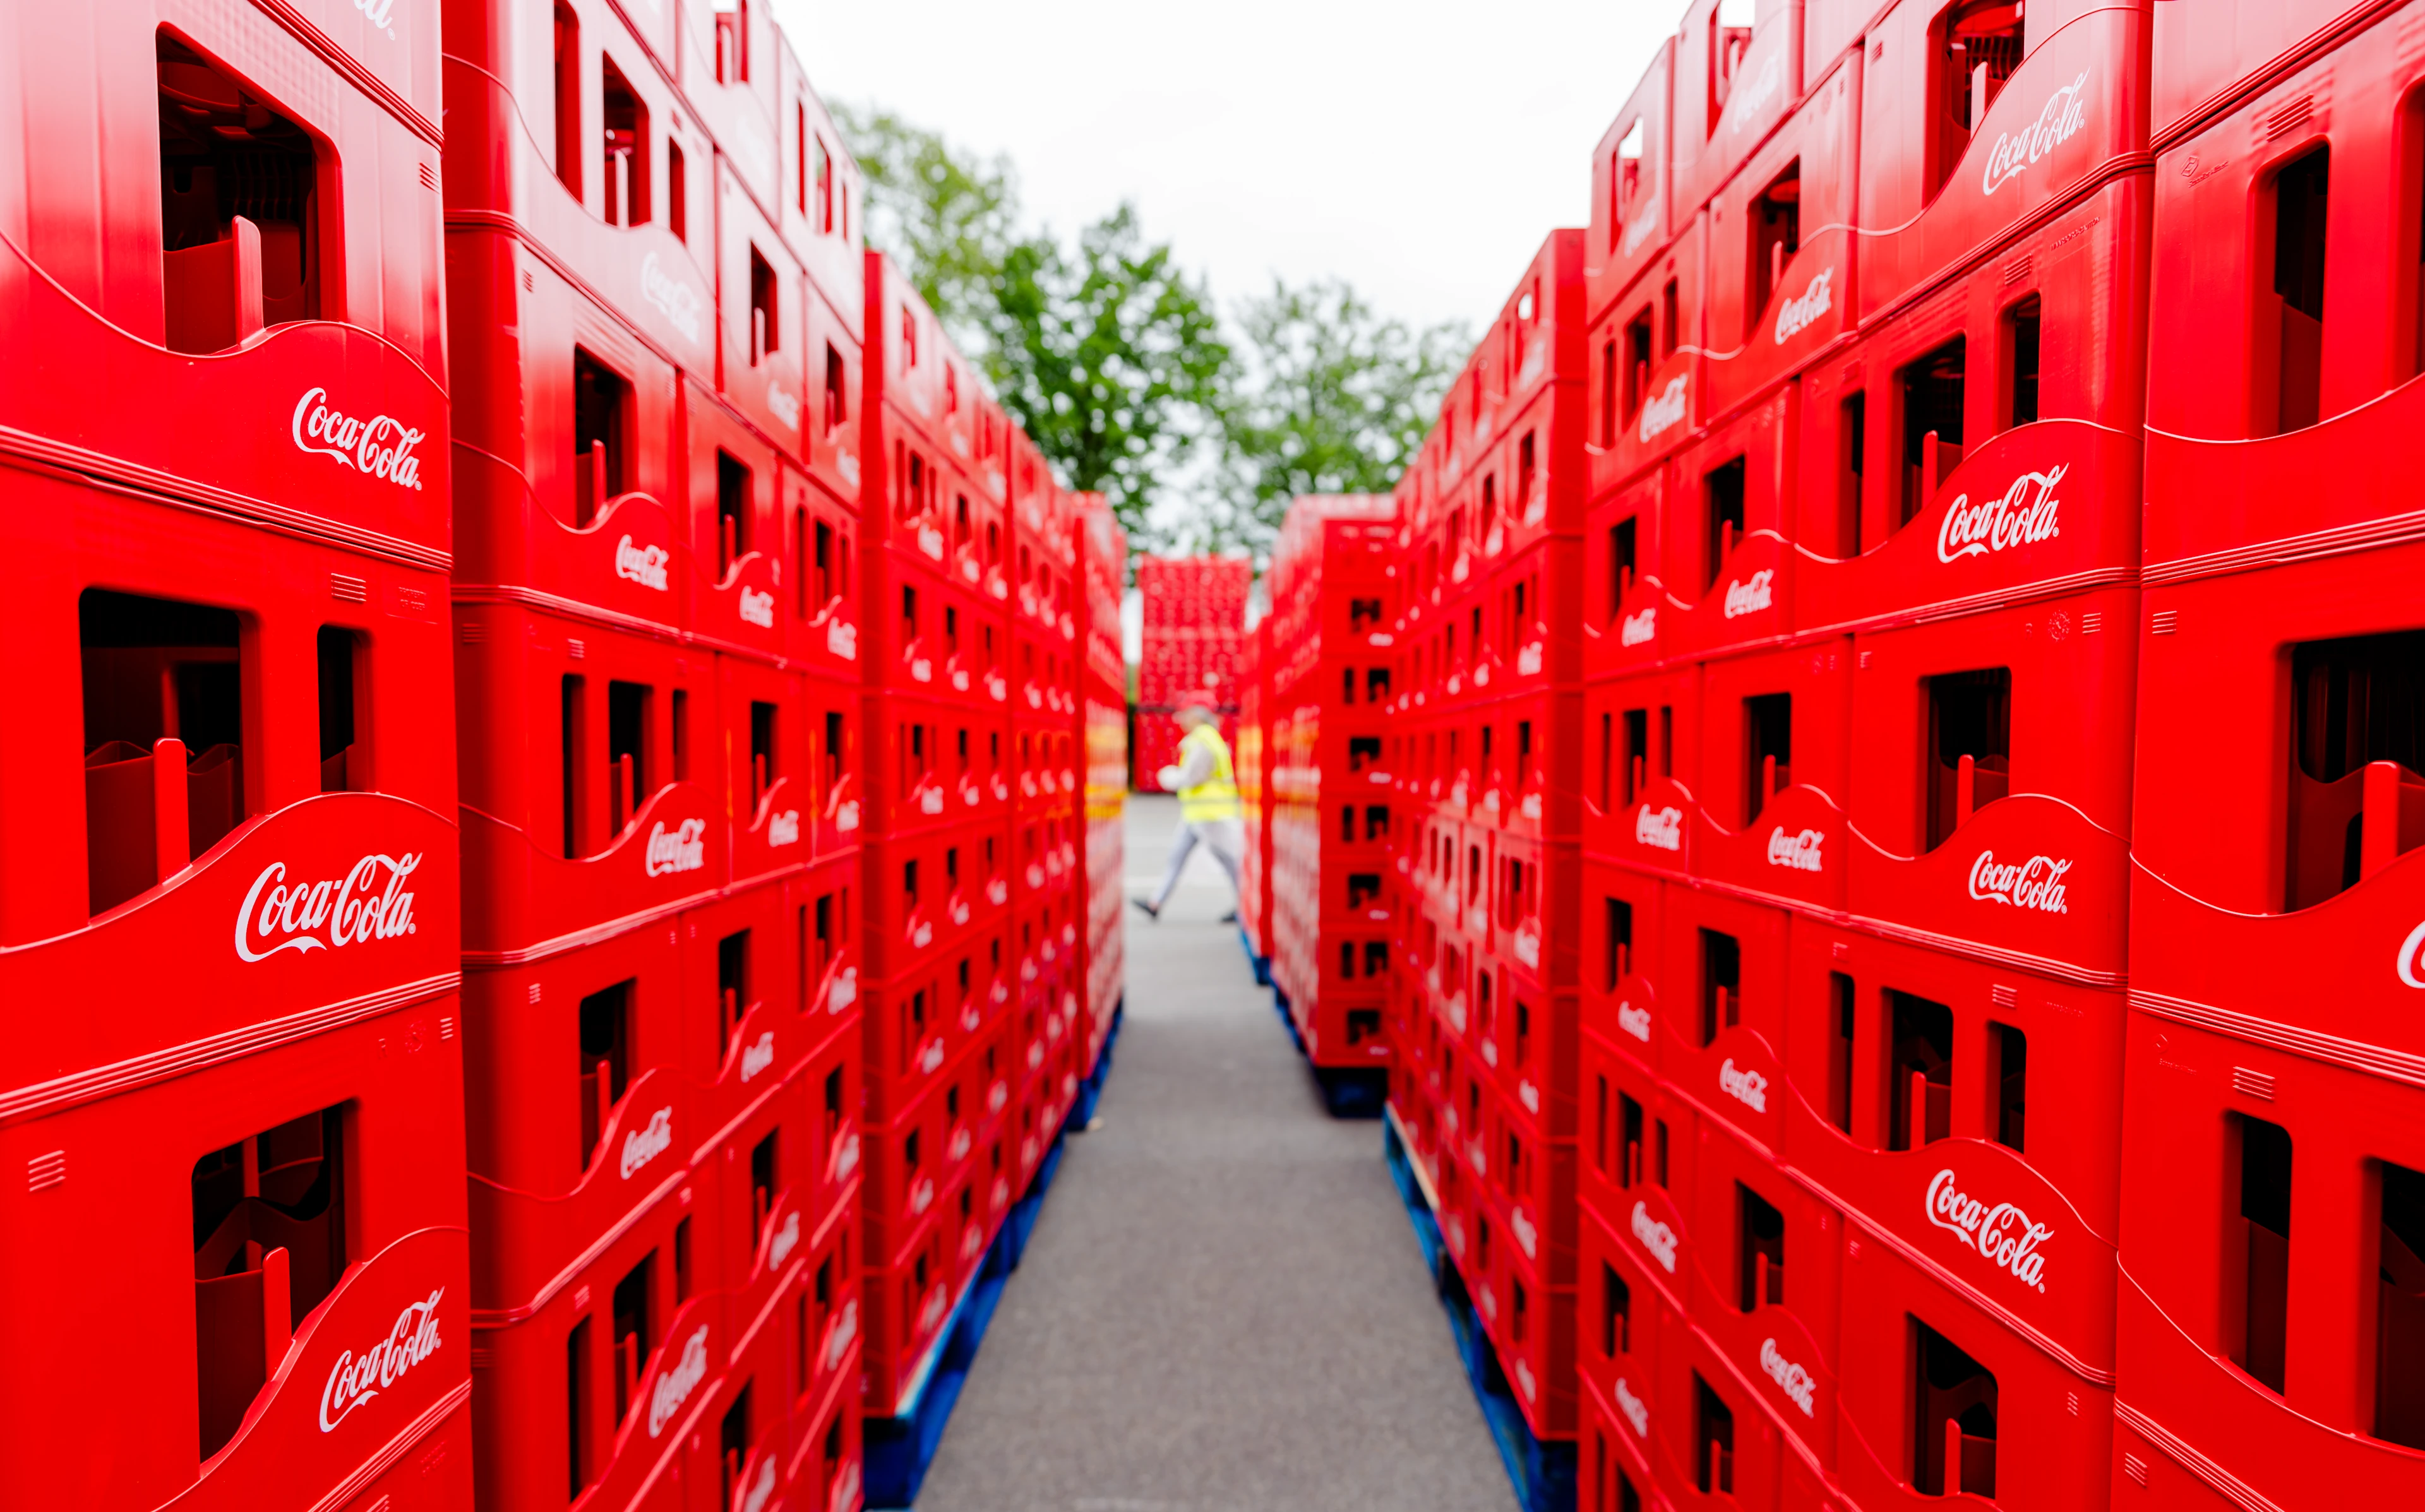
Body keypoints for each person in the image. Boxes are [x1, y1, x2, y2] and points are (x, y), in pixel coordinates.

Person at [1134, 699, 1243, 921]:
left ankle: (1246, 907)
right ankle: (1156, 903)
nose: (1181, 720)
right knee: (1177, 856)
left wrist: (1169, 777)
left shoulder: (1204, 741)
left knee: (1230, 861)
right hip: (1196, 814)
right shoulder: (1206, 739)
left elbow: (1193, 777)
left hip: (1210, 815)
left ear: (1196, 715)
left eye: (1184, 714)